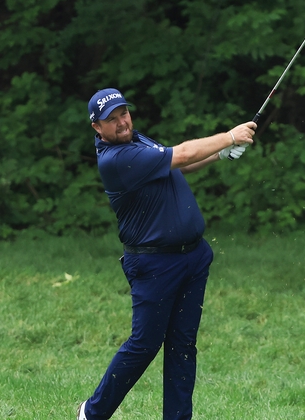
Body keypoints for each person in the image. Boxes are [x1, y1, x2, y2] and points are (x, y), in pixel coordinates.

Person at [77, 88, 256, 420]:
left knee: (183, 346)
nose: (121, 122)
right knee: (144, 345)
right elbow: (183, 154)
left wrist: (221, 154)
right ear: (96, 128)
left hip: (193, 257)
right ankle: (92, 413)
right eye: (111, 120)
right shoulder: (117, 159)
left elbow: (177, 167)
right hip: (155, 264)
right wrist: (229, 135)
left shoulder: (136, 142)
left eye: (123, 114)